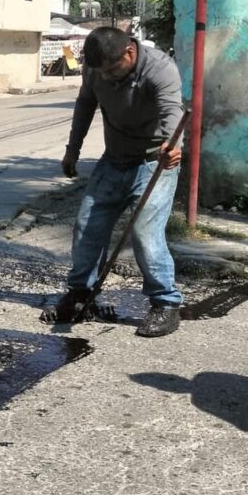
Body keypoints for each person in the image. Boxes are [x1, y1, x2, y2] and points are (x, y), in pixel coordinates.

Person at [43, 26, 185, 337]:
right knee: (87, 226)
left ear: (129, 53)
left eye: (110, 70)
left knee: (145, 233)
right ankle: (81, 295)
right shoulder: (95, 69)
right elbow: (85, 104)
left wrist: (173, 146)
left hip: (154, 163)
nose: (104, 77)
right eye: (100, 72)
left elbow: (171, 110)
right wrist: (72, 149)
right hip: (113, 160)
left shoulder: (160, 68)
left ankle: (166, 304)